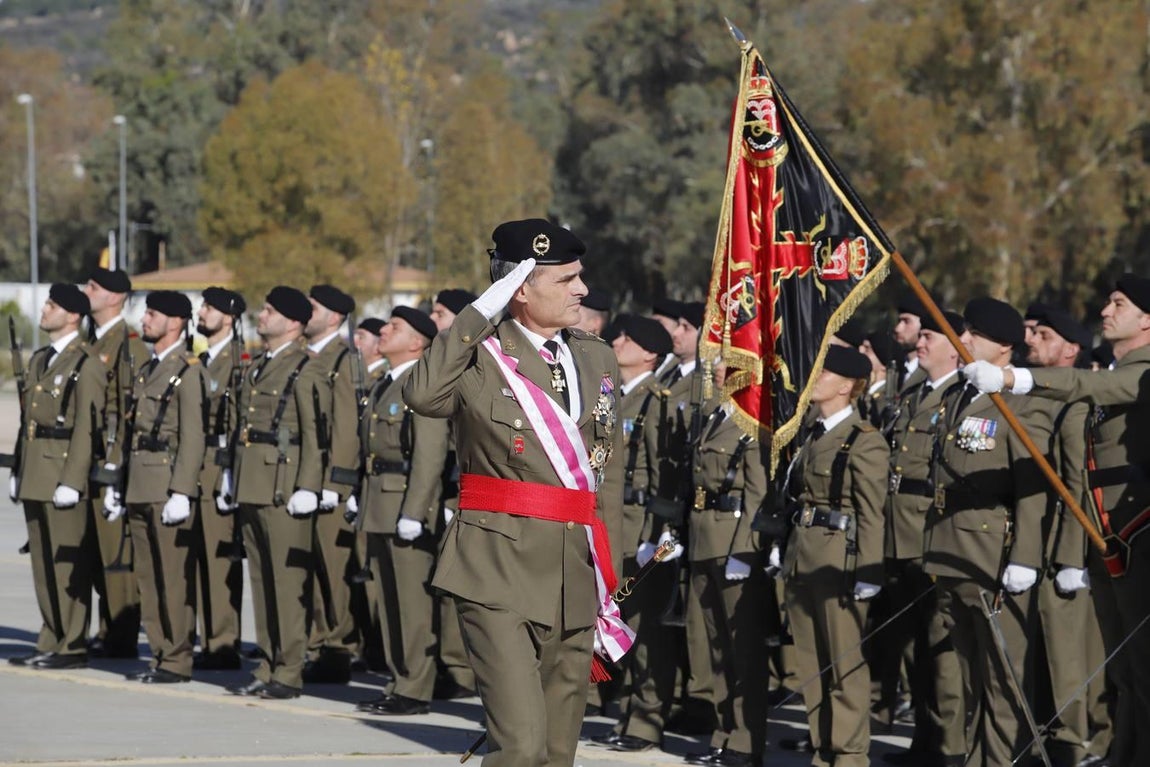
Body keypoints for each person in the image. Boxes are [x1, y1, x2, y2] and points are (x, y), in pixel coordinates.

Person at [403, 218, 628, 767]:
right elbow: (423, 395)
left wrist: (610, 580)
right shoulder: (478, 352)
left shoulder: (594, 356)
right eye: (566, 279)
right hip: (496, 568)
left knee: (556, 751)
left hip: (575, 572)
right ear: (520, 287)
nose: (582, 289)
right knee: (521, 747)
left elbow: (608, 475)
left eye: (581, 277)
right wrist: (479, 313)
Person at [963, 274, 1150, 767]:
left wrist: (1014, 378)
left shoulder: (1141, 369)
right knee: (1124, 670)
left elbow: (1099, 387)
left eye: (1119, 303)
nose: (1106, 311)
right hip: (1105, 538)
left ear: (1147, 320)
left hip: (1136, 533)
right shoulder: (1112, 368)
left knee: (1143, 669)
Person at [923, 297, 1046, 767]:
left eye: (975, 334)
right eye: (965, 331)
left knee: (1003, 683)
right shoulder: (958, 396)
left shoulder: (1019, 401)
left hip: (993, 556)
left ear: (1006, 347)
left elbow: (1032, 485)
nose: (964, 339)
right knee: (971, 678)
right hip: (952, 552)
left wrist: (1026, 557)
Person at [782, 345, 888, 767]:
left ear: (846, 386)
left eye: (823, 374)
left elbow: (872, 511)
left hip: (839, 558)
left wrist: (869, 569)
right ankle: (823, 748)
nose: (814, 380)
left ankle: (848, 755)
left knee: (844, 663)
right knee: (812, 661)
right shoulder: (815, 432)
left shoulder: (863, 440)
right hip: (804, 552)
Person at [221, 286, 324, 699]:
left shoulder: (306, 367)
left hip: (284, 487)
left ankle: (289, 671)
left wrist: (309, 485)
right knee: (262, 581)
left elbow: (317, 433)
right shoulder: (259, 364)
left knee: (287, 584)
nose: (261, 316)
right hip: (254, 482)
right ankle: (268, 662)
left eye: (270, 311)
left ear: (294, 323)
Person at [880, 310, 967, 767]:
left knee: (941, 648)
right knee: (914, 646)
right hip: (900, 533)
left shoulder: (960, 395)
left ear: (955, 347)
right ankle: (925, 742)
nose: (920, 342)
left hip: (931, 533)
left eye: (930, 336)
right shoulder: (914, 391)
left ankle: (951, 748)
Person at [106, 290, 205, 683]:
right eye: (146, 312)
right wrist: (117, 482)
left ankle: (178, 659)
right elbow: (130, 430)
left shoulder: (190, 369)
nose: (145, 319)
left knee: (173, 578)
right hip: (140, 482)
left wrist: (182, 490)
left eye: (154, 313)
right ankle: (161, 653)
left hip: (166, 483)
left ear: (177, 322)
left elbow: (193, 436)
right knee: (147, 577)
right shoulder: (148, 368)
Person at [352, 307, 447, 716]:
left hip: (405, 504)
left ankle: (414, 687)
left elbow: (429, 453)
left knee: (411, 603)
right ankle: (398, 680)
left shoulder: (421, 383)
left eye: (395, 328)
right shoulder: (383, 384)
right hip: (379, 500)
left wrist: (416, 509)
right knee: (388, 600)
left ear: (416, 342)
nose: (383, 331)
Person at [592, 314, 679, 752]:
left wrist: (657, 537)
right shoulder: (613, 396)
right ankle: (625, 711)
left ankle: (645, 720)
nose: (616, 341)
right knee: (615, 623)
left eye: (627, 339)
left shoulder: (656, 401)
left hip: (637, 524)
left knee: (644, 630)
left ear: (649, 353)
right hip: (606, 519)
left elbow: (663, 475)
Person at [8, 285, 105, 670]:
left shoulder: (87, 364)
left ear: (73, 317)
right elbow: (27, 421)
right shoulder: (39, 360)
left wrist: (73, 480)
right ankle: (50, 636)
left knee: (68, 565)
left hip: (63, 472)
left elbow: (87, 428)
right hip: (35, 469)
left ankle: (72, 643)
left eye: (53, 305)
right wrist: (18, 466)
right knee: (43, 563)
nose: (45, 310)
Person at [679, 360, 768, 767]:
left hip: (731, 541)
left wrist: (744, 550)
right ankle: (723, 733)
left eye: (722, 366)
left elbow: (756, 494)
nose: (714, 372)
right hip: (703, 538)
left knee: (741, 648)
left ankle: (746, 740)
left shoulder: (752, 424)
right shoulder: (715, 416)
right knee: (714, 648)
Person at [1023, 306, 1099, 767]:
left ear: (1071, 349)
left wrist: (1071, 557)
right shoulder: (1033, 395)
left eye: (1043, 334)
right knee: (1036, 655)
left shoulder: (1075, 401)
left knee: (1067, 656)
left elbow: (1076, 486)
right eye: (1030, 332)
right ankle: (1043, 742)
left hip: (1060, 546)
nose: (1031, 340)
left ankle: (1075, 746)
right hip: (1029, 544)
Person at [83, 267, 149, 658]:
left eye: (94, 287)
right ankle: (105, 628)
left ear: (114, 297)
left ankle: (120, 634)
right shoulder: (91, 340)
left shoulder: (129, 344)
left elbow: (128, 411)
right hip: (87, 458)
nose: (86, 291)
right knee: (95, 551)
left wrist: (117, 469)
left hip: (111, 461)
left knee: (116, 555)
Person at [302, 284, 360, 685]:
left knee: (332, 569)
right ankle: (315, 642)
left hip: (329, 482)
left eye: (313, 307)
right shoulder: (309, 358)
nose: (306, 312)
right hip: (305, 478)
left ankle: (337, 647)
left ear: (334, 317)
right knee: (309, 567)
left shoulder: (344, 359)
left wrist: (337, 483)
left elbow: (346, 426)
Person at [192, 286, 247, 671]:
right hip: (197, 463)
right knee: (197, 557)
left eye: (209, 307)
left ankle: (224, 641)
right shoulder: (202, 359)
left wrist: (231, 472)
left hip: (219, 463)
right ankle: (209, 638)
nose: (202, 311)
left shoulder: (239, 360)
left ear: (227, 317)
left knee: (218, 557)